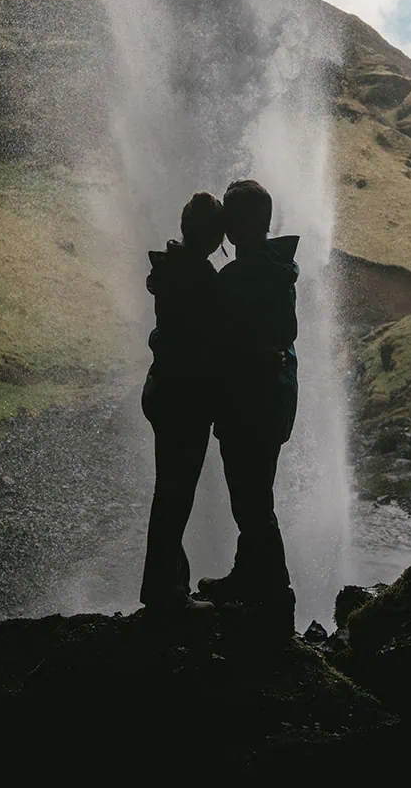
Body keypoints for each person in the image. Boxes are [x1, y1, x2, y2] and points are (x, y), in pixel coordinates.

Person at [197, 179, 298, 617]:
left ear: (239, 228)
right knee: (256, 493)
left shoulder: (238, 277)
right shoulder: (279, 269)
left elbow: (218, 339)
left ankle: (276, 592)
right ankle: (249, 577)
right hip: (274, 398)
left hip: (249, 402)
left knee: (250, 499)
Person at [138, 192, 225, 612]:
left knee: (170, 490)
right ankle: (164, 592)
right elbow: (209, 342)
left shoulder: (171, 266)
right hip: (185, 397)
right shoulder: (201, 276)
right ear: (214, 237)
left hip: (163, 389)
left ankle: (172, 583)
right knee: (176, 494)